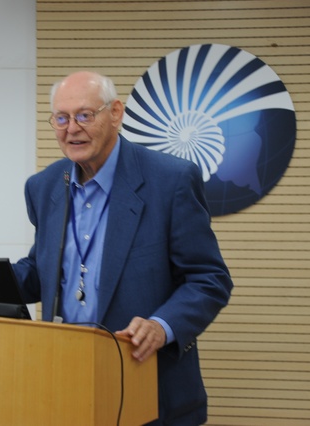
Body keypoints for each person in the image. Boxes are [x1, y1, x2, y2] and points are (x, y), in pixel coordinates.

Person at [13, 71, 233, 425]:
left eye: (85, 115)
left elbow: (209, 279)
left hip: (149, 387)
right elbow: (42, 271)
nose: (72, 129)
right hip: (67, 383)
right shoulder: (44, 185)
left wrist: (162, 325)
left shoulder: (171, 180)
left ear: (115, 113)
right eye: (62, 118)